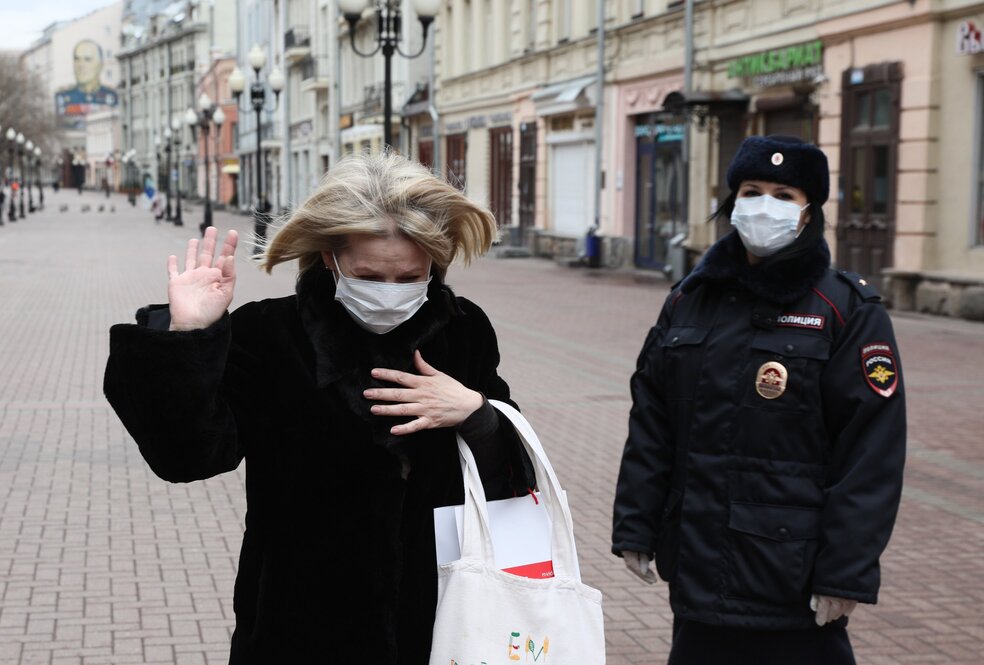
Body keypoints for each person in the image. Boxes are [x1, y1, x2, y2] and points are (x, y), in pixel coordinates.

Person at [104, 152, 533, 664]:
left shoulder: (463, 331)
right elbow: (187, 456)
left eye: (409, 278)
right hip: (298, 625)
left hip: (444, 620)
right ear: (331, 257)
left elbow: (512, 476)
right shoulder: (270, 335)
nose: (390, 293)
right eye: (369, 275)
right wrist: (188, 336)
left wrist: (476, 412)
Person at [612, 135, 906, 665]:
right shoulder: (689, 299)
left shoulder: (845, 309)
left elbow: (871, 452)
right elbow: (652, 421)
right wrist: (637, 522)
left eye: (784, 195)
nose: (764, 205)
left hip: (792, 582)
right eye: (751, 191)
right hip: (698, 575)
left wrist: (845, 572)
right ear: (733, 201)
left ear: (808, 212)